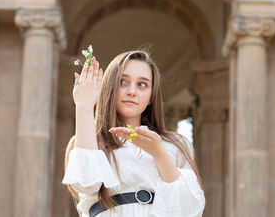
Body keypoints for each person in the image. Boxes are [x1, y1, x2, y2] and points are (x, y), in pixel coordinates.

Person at [62, 50, 205, 217]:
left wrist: (159, 153)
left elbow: (188, 209)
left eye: (142, 84)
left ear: (152, 95)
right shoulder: (88, 143)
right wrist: (84, 106)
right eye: (123, 81)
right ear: (110, 87)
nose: (132, 91)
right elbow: (86, 185)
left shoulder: (175, 144)